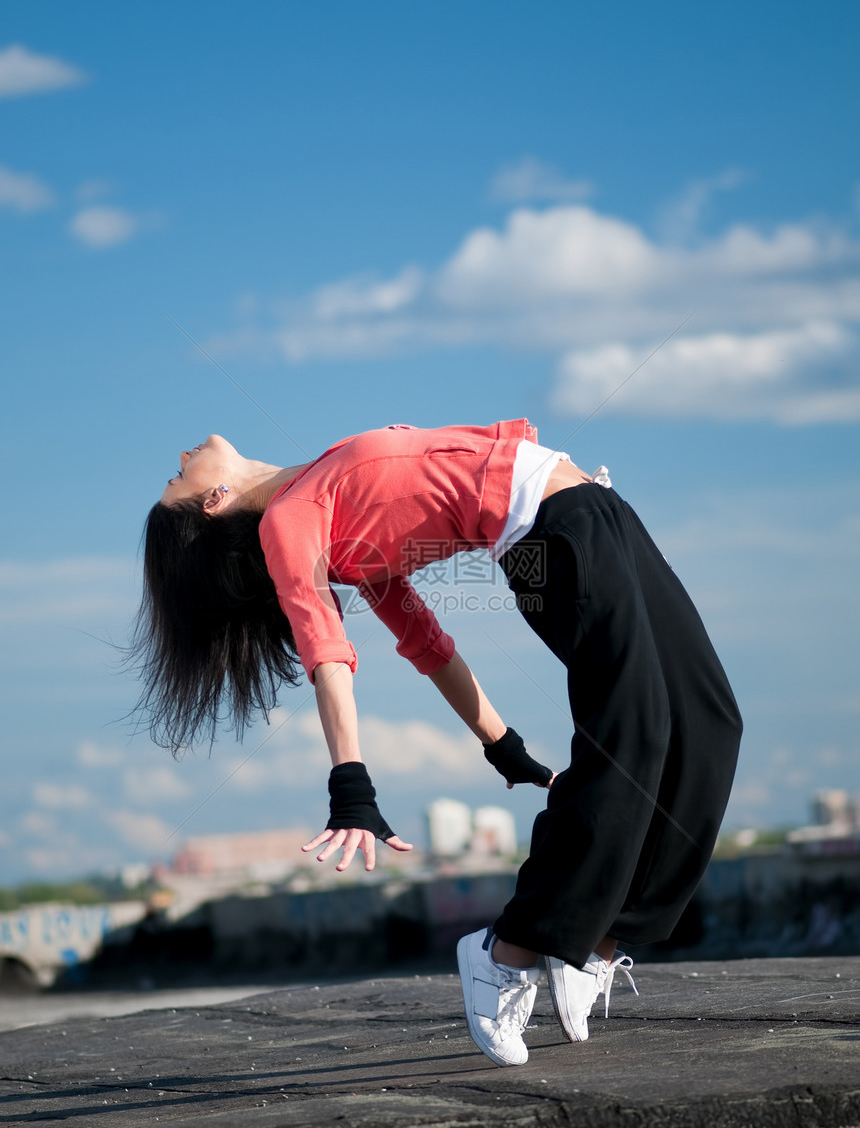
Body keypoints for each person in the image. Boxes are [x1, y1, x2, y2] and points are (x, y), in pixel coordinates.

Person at [133, 420, 742, 1067]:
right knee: (635, 727)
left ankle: (600, 940)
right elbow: (328, 655)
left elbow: (429, 645)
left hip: (597, 505)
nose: (180, 456)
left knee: (708, 720)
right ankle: (506, 950)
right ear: (213, 501)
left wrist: (501, 742)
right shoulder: (289, 519)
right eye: (176, 478)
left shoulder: (325, 493)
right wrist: (351, 783)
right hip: (549, 531)